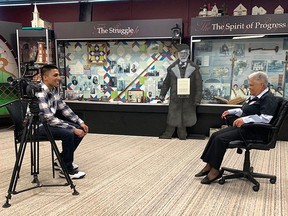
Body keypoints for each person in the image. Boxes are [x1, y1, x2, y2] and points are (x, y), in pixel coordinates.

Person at [195, 71, 278, 184]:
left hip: (257, 131)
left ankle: (215, 171)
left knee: (221, 139)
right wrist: (231, 111)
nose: (249, 87)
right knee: (215, 135)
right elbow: (246, 110)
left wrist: (244, 119)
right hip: (246, 128)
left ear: (262, 85)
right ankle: (209, 165)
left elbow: (266, 118)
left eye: (251, 85)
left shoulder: (268, 98)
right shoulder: (256, 96)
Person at [36, 64, 89, 179]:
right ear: (45, 78)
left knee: (80, 130)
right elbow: (48, 118)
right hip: (37, 126)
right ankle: (67, 170)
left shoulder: (54, 90)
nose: (59, 78)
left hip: (49, 123)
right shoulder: (40, 92)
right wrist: (72, 129)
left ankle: (61, 160)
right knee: (69, 133)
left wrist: (80, 122)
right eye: (55, 75)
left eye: (58, 75)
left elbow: (64, 108)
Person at [159, 43, 203, 140]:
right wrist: (162, 95)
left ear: (188, 54)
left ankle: (182, 135)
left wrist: (197, 99)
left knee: (185, 116)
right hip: (175, 97)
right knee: (173, 115)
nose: (183, 55)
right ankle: (168, 134)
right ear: (177, 54)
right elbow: (166, 83)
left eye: (185, 53)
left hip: (189, 98)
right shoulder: (171, 69)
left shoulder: (194, 69)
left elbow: (199, 85)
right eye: (181, 53)